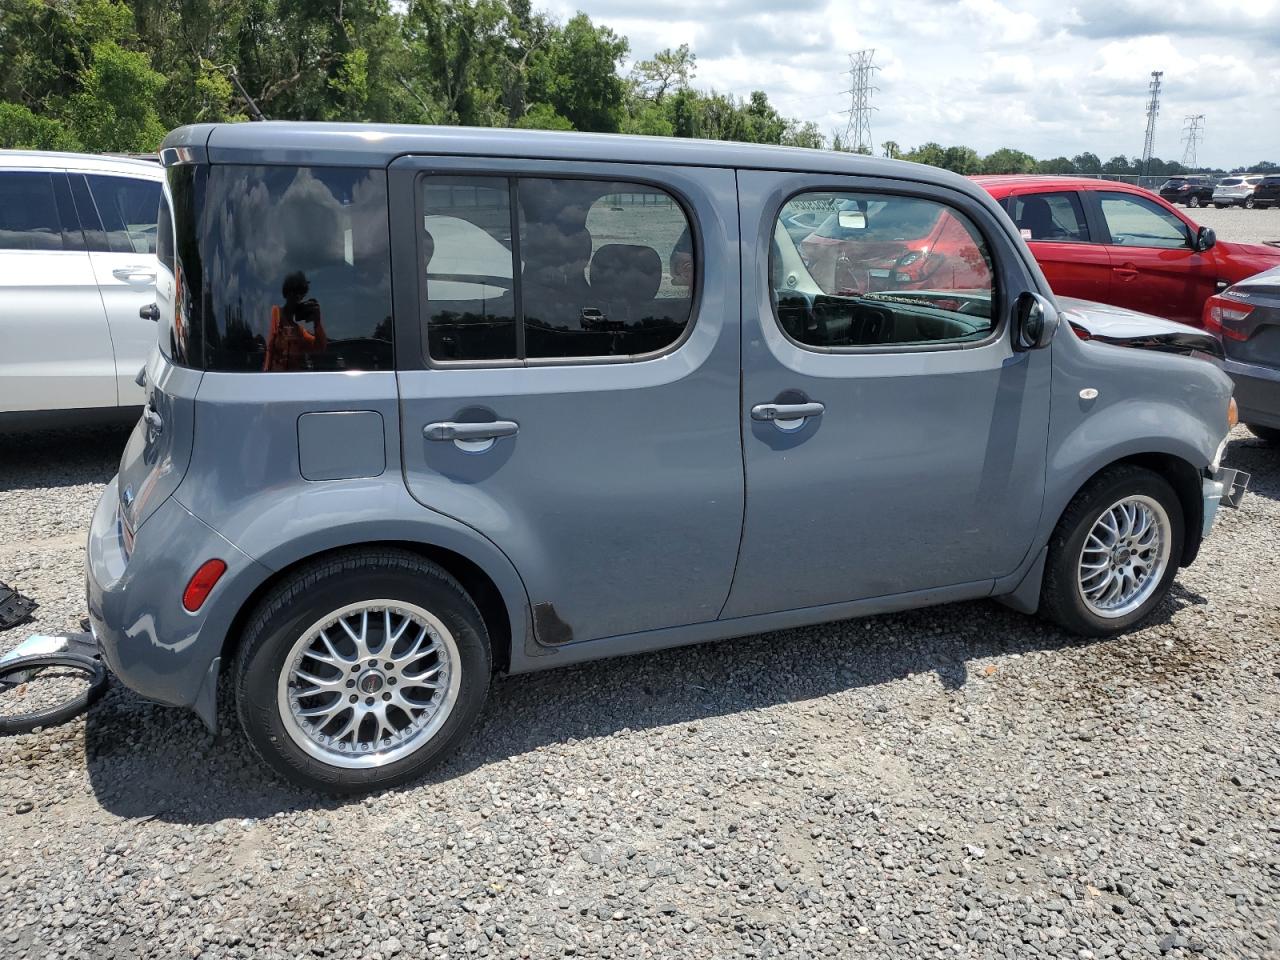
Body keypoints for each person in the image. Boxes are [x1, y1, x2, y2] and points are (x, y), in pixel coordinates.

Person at [263, 271, 327, 371]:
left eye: (301, 295)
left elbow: (320, 347)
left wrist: (317, 323)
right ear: (287, 294)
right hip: (273, 380)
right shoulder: (275, 315)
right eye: (294, 293)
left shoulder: (299, 331)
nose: (298, 299)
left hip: (294, 381)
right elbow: (269, 348)